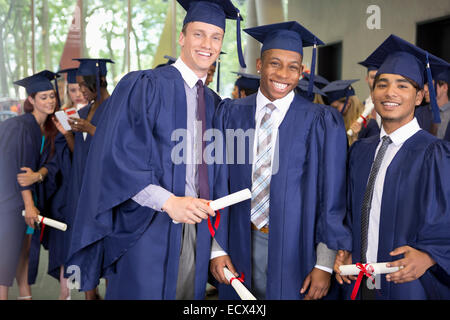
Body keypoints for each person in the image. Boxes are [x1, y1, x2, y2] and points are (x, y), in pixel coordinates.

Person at [65, 0, 246, 300]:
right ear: (182, 37)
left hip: (198, 231)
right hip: (145, 227)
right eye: (199, 34)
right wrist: (168, 202)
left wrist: (216, 245)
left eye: (216, 37)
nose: (207, 44)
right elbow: (119, 159)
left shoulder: (214, 104)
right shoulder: (144, 86)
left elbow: (217, 176)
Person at [210, 21, 351, 300]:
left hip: (297, 249)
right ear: (260, 64)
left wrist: (324, 262)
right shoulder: (230, 114)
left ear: (301, 72)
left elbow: (332, 196)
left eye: (293, 67)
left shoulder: (321, 121)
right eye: (275, 63)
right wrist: (217, 248)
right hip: (238, 240)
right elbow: (216, 184)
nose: (283, 74)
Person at [334, 34, 450, 300]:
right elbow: (350, 212)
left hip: (410, 284)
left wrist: (431, 257)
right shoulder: (361, 151)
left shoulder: (435, 154)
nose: (390, 93)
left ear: (420, 95)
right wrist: (347, 248)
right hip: (362, 280)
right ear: (373, 93)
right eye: (382, 84)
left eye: (403, 85)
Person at [0, 71, 59, 300]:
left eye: (52, 96)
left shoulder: (48, 128)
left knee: (24, 252)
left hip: (27, 201)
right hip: (11, 201)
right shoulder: (22, 126)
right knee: (6, 256)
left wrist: (40, 175)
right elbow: (23, 172)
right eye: (43, 97)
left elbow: (47, 165)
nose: (49, 101)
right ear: (31, 100)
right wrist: (30, 205)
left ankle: (25, 293)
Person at [322, 79, 366, 145]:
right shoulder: (338, 124)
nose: (334, 111)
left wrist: (354, 138)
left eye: (336, 107)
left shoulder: (367, 125)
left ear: (348, 103)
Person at [357, 61, 381, 139]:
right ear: (367, 79)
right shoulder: (361, 108)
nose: (376, 81)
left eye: (379, 77)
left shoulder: (392, 106)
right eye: (373, 77)